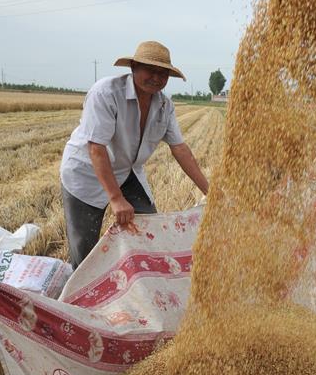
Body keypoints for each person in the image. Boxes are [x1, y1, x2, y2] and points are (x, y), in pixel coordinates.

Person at [60, 40, 209, 269]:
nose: (157, 78)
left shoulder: (164, 106)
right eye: (151, 70)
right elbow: (96, 148)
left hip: (125, 171)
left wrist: (211, 192)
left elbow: (179, 148)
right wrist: (116, 198)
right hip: (86, 173)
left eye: (163, 73)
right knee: (84, 252)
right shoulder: (107, 93)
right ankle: (81, 302)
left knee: (149, 229)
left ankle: (140, 285)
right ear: (133, 68)